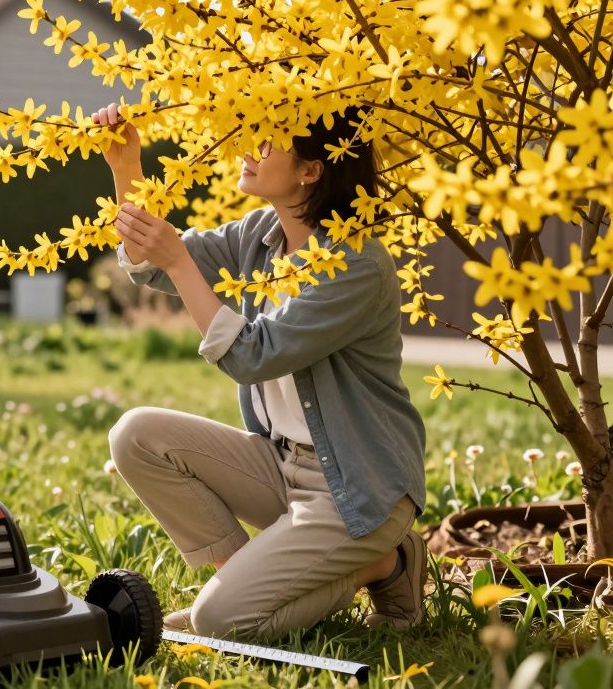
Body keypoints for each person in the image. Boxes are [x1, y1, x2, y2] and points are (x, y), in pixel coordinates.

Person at [93, 101, 428, 641]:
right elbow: (155, 264)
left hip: (359, 487)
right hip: (281, 467)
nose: (247, 148)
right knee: (136, 435)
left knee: (218, 622)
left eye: (268, 141)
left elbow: (253, 356)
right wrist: (126, 168)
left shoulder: (356, 263)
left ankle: (384, 563)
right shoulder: (261, 235)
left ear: (311, 170)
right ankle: (246, 587)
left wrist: (180, 262)